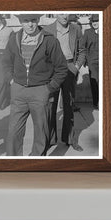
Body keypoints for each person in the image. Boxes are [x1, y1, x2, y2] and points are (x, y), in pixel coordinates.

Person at [2, 14, 68, 156]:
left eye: (33, 20)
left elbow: (62, 68)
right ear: (20, 22)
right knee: (13, 131)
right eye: (26, 21)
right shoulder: (14, 39)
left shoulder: (49, 40)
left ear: (38, 20)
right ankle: (13, 163)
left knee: (41, 132)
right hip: (18, 90)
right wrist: (11, 80)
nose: (30, 25)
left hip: (40, 91)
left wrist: (49, 88)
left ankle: (36, 162)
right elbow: (6, 62)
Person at [44, 14, 86, 150]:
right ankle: (50, 140)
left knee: (69, 105)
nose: (64, 16)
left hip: (69, 69)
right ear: (55, 14)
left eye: (67, 13)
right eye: (61, 13)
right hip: (53, 71)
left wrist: (76, 67)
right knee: (51, 106)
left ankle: (70, 139)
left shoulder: (75, 29)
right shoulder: (47, 29)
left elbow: (82, 51)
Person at [81, 14, 99, 110]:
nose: (95, 23)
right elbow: (83, 47)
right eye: (93, 21)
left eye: (97, 21)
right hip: (92, 61)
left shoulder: (106, 30)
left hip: (104, 61)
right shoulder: (87, 32)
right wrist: (84, 60)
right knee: (95, 81)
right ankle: (96, 103)